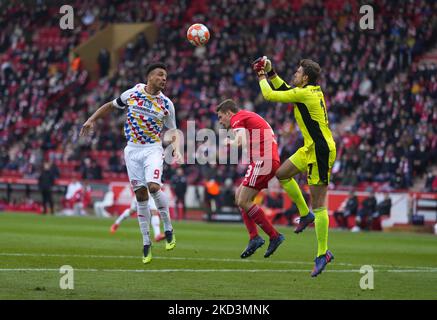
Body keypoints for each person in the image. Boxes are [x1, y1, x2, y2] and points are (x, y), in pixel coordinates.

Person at [80, 62, 181, 264]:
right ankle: (146, 243)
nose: (164, 79)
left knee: (153, 187)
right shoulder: (132, 94)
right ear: (150, 77)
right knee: (140, 196)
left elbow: (172, 131)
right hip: (132, 150)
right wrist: (91, 119)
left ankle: (168, 228)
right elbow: (110, 105)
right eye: (160, 75)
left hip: (153, 149)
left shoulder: (166, 104)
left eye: (166, 77)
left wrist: (175, 149)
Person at [253, 57, 336, 277]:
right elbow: (286, 88)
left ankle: (322, 253)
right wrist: (271, 73)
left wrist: (261, 75)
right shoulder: (308, 91)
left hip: (320, 150)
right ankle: (304, 214)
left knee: (319, 205)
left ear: (305, 78)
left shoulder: (305, 93)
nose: (294, 75)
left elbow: (269, 95)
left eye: (298, 73)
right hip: (310, 147)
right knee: (282, 174)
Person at [217, 99, 285, 259]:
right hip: (266, 160)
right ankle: (254, 237)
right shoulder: (247, 116)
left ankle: (273, 236)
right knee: (239, 196)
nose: (220, 122)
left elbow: (240, 141)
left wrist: (230, 142)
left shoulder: (237, 118)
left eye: (221, 117)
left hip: (264, 160)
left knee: (243, 201)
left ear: (228, 113)